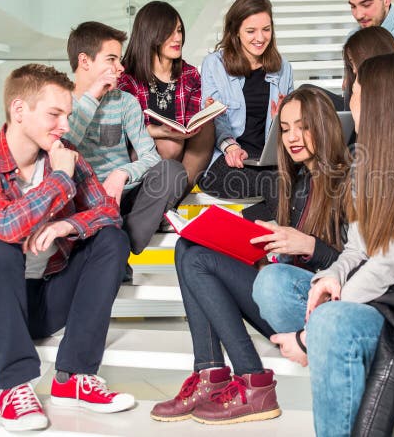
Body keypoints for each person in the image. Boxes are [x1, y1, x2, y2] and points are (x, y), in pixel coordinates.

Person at [253, 53, 394, 436]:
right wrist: (331, 277)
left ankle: (329, 346)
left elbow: (389, 264)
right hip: (382, 298)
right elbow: (357, 251)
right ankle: (338, 356)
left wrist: (307, 338)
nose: (349, 102)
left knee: (329, 322)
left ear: (379, 103)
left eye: (354, 94)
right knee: (272, 283)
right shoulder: (366, 166)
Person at [0, 64, 136, 432]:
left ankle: (75, 377)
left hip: (46, 303)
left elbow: (108, 213)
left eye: (67, 114)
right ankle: (15, 386)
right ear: (19, 111)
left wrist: (68, 223)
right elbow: (5, 224)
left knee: (112, 238)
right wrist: (60, 179)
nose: (65, 125)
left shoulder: (65, 155)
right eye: (55, 114)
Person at [150, 87, 350, 425]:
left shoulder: (349, 182)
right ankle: (211, 373)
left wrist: (308, 245)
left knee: (221, 264)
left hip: (316, 309)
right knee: (190, 247)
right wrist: (202, 228)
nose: (292, 137)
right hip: (277, 296)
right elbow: (245, 224)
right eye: (284, 129)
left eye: (303, 126)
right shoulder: (288, 182)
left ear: (325, 125)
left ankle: (251, 379)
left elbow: (357, 265)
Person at [64, 21, 188, 282]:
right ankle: (112, 246)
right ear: (84, 61)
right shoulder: (61, 102)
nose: (120, 68)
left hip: (127, 198)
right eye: (112, 59)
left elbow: (150, 156)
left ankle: (120, 242)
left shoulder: (125, 102)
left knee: (173, 171)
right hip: (86, 201)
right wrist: (93, 97)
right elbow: (65, 146)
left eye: (119, 60)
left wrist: (122, 173)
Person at [198, 0, 294, 220]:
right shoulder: (215, 65)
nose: (260, 38)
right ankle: (288, 250)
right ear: (235, 32)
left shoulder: (283, 68)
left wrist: (284, 117)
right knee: (278, 185)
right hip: (225, 161)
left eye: (266, 29)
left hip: (268, 159)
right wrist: (230, 147)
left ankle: (242, 223)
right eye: (251, 31)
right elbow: (215, 118)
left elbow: (291, 125)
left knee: (307, 181)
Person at [118, 1, 215, 191]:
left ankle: (176, 195)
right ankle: (154, 198)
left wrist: (204, 114)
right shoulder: (128, 77)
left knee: (207, 126)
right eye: (169, 32)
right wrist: (158, 131)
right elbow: (122, 128)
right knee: (169, 144)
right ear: (151, 34)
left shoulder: (190, 74)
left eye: (179, 30)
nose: (177, 38)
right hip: (143, 155)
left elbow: (190, 121)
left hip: (183, 156)